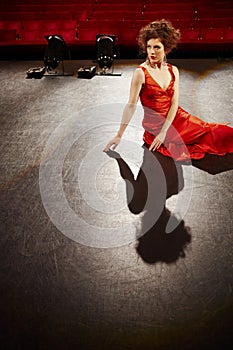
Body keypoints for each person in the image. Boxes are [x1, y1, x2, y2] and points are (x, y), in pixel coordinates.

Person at [103, 19, 233, 162]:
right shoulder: (141, 73)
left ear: (166, 49)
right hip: (155, 127)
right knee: (206, 138)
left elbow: (174, 104)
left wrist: (165, 131)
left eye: (157, 47)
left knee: (210, 130)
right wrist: (119, 135)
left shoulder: (173, 70)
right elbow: (131, 106)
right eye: (149, 47)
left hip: (176, 118)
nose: (152, 52)